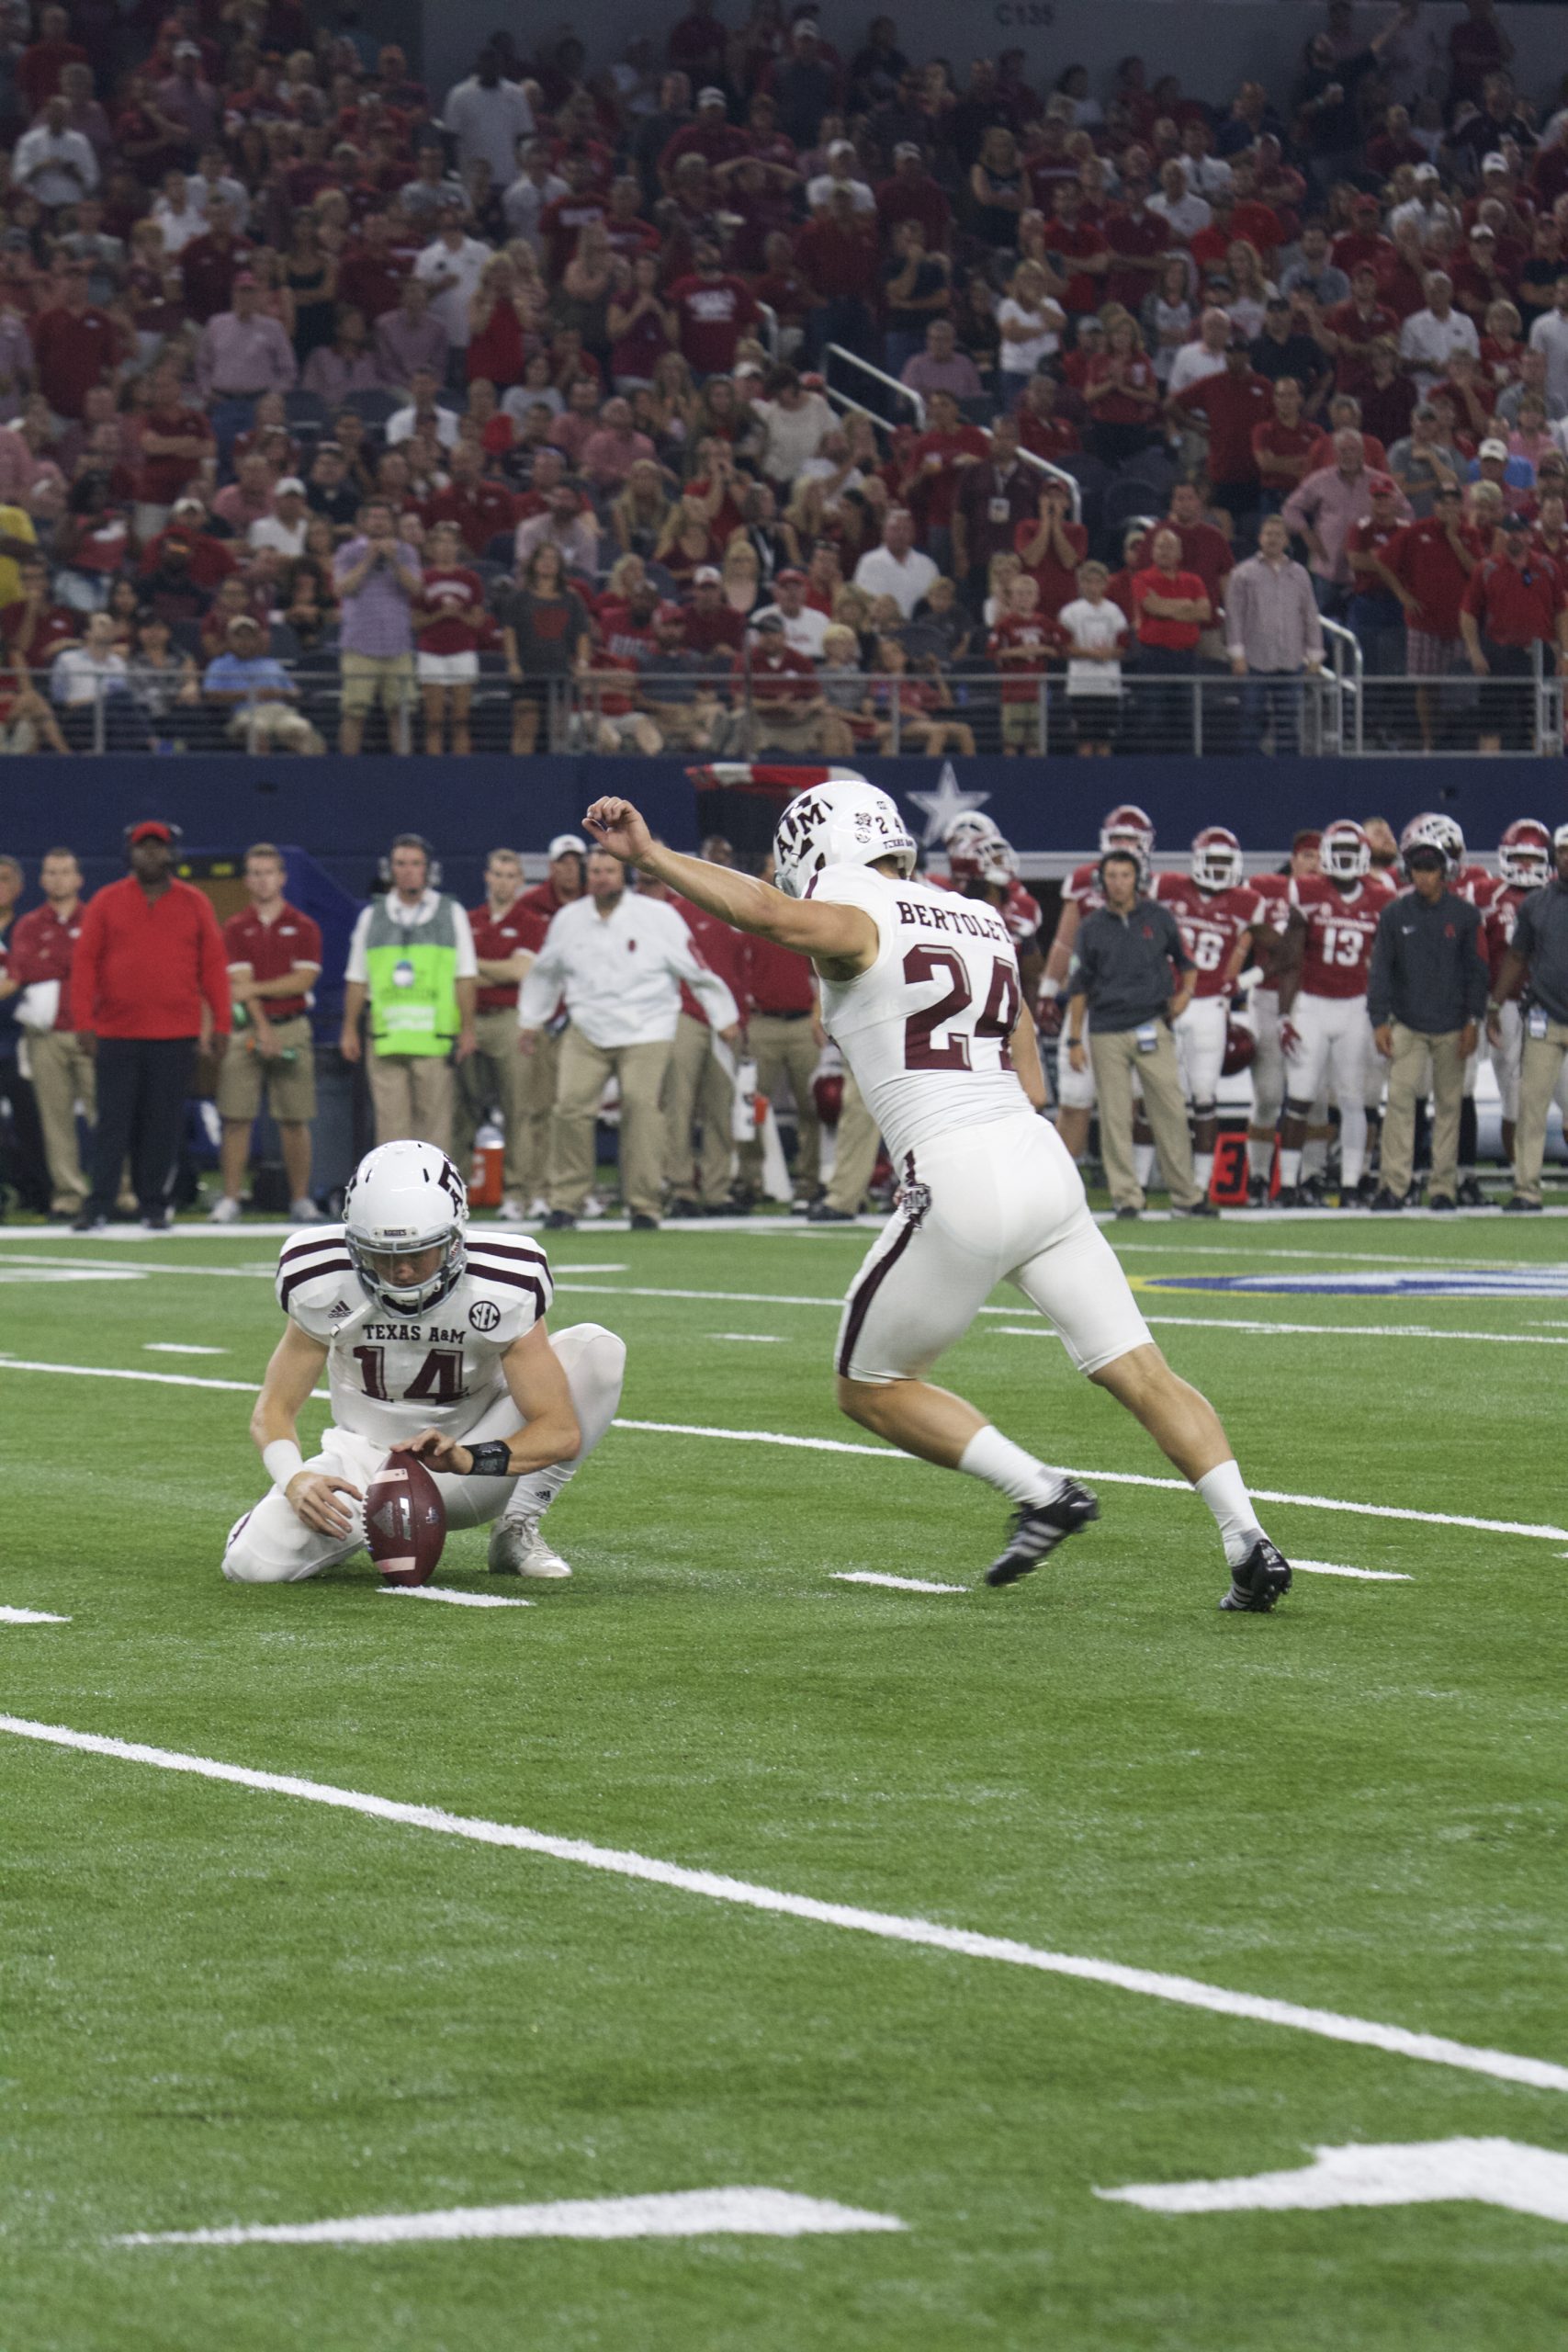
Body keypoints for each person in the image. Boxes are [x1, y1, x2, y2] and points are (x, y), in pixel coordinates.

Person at [583, 783, 1291, 1612]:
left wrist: (655, 857)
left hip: (958, 1167)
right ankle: (1248, 1539)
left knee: (867, 1384)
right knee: (1141, 1371)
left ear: (819, 848)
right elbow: (1021, 1034)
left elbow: (771, 917)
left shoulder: (854, 903)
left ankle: (1041, 1491)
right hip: (1037, 1159)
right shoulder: (973, 914)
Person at [221, 1140, 626, 1586]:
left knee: (598, 1351)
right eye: (383, 1254)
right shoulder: (320, 1275)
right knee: (251, 1567)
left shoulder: (505, 1281)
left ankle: (517, 1525)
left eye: (417, 1253)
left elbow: (559, 1431)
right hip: (363, 1463)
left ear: (455, 1239)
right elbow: (273, 1408)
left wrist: (469, 1458)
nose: (402, 1272)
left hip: (472, 1456)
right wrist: (294, 1477)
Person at [518, 848, 739, 1232]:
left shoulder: (659, 917)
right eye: (596, 871)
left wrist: (724, 1014)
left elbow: (696, 968)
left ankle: (644, 1205)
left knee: (641, 1108)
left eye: (610, 870)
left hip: (647, 1027)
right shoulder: (568, 921)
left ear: (625, 875)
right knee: (569, 1107)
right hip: (586, 1026)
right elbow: (544, 973)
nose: (602, 877)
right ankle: (566, 1202)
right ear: (588, 876)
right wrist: (530, 1020)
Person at [69, 820, 230, 1233]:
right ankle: (98, 1204)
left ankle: (154, 1205)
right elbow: (84, 964)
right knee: (112, 1124)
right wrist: (83, 1021)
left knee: (162, 1125)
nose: (151, 855)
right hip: (117, 1032)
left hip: (175, 1034)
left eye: (159, 848)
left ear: (171, 854)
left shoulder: (194, 902)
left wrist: (222, 1024)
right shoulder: (106, 901)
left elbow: (212, 967)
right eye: (144, 847)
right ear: (131, 853)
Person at [1067, 850, 1214, 1222]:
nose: (1118, 882)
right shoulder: (1091, 928)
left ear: (1137, 879)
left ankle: (1185, 1194)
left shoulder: (1158, 917)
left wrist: (1184, 996)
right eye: (1112, 875)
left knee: (1171, 1110)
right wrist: (1073, 1039)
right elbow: (1079, 987)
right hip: (1107, 1030)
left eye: (1125, 875)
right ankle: (1126, 1197)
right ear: (1103, 882)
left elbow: (1187, 964)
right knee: (1115, 1118)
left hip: (1152, 1023)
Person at [1366, 817, 1489, 1211]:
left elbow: (1477, 972)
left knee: (1449, 1108)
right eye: (1417, 868)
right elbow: (1381, 969)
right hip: (1407, 1024)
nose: (1423, 876)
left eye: (1431, 868)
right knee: (1399, 1104)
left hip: (1453, 1026)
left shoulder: (1467, 916)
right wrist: (1378, 1020)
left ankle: (1442, 1188)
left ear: (1445, 871)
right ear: (1408, 870)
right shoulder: (1394, 914)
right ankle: (1395, 1186)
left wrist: (1474, 1020)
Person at [1272, 820, 1393, 1207]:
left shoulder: (1381, 897)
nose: (1342, 861)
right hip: (1311, 1003)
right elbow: (1290, 960)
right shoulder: (1305, 890)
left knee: (1353, 1099)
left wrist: (1383, 1013)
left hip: (1356, 1005)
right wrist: (1284, 1015)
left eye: (1349, 854)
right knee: (1301, 1096)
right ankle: (1289, 1185)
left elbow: (1388, 964)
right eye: (1336, 854)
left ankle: (1351, 1185)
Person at [340, 834, 478, 1154]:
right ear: (390, 869)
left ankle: (434, 1203)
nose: (408, 871)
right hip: (387, 1038)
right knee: (391, 1135)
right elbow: (357, 978)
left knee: (436, 1131)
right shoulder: (371, 917)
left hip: (435, 1039)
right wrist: (349, 1028)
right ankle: (394, 1203)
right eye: (401, 864)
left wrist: (468, 1029)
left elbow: (465, 976)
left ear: (429, 870)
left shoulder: (451, 913)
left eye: (416, 864)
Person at [210, 842, 322, 1227]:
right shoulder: (236, 927)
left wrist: (256, 990)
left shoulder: (304, 926)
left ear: (282, 878)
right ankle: (229, 1199)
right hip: (248, 1031)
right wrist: (262, 1026)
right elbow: (238, 982)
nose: (262, 879)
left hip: (292, 1026)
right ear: (246, 880)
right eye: (255, 873)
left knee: (295, 1119)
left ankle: (300, 1199)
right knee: (236, 1118)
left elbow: (304, 978)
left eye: (268, 872)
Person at [1154, 831, 1266, 1196]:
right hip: (1167, 1002)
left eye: (1224, 863)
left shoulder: (1248, 902)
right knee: (1152, 1094)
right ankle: (1143, 1180)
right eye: (1211, 861)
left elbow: (1277, 953)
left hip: (1210, 1008)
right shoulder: (1168, 887)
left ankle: (1199, 1186)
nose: (1217, 870)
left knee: (1204, 1095)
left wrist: (1243, 980)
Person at [454, 846, 547, 1224]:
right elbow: (457, 974)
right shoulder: (467, 920)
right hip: (470, 1017)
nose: (504, 881)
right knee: (463, 1111)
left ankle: (519, 1192)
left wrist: (473, 967)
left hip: (511, 1018)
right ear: (487, 877)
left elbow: (519, 971)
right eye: (498, 874)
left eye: (511, 875)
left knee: (519, 1110)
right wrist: (489, 971)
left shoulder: (531, 921)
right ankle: (453, 1197)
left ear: (520, 882)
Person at [6, 844, 94, 1218]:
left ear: (79, 878)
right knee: (54, 1120)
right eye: (51, 872)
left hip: (91, 1032)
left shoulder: (96, 918)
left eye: (65, 871)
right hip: (45, 1035)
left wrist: (56, 964)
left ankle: (119, 1191)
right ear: (41, 879)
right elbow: (23, 972)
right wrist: (68, 966)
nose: (58, 879)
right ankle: (68, 1195)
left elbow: (104, 969)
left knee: (105, 1116)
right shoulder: (29, 925)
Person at [1489, 821, 1568, 1213]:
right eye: (1565, 850)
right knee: (1529, 1105)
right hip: (1542, 1014)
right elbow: (1515, 957)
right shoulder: (1535, 903)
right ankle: (1526, 1187)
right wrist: (1493, 1004)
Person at [1224, 513, 1325, 754]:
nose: (1272, 539)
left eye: (1278, 535)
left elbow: (1310, 615)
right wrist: (1236, 654)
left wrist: (1315, 655)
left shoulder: (1299, 574)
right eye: (1268, 534)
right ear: (1260, 538)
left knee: (1289, 722)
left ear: (1286, 540)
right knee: (1251, 718)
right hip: (1253, 660)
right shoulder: (1243, 574)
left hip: (1291, 659)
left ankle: (1288, 775)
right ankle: (1249, 773)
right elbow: (1234, 616)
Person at [332, 498, 422, 754]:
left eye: (384, 517)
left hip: (397, 645)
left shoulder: (406, 552)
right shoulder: (348, 552)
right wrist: (368, 559)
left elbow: (416, 588)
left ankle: (404, 772)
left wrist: (394, 561)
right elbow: (341, 588)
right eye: (374, 517)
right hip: (360, 644)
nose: (379, 522)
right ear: (363, 521)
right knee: (354, 711)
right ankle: (348, 770)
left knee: (401, 711)